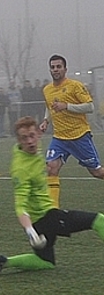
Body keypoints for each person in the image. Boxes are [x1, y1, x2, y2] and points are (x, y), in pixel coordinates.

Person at [0, 116, 104, 274]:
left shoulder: (25, 151)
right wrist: (30, 231)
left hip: (39, 222)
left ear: (39, 134)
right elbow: (20, 205)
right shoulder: (21, 169)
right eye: (24, 138)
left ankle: (4, 262)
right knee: (98, 221)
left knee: (45, 262)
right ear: (18, 140)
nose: (30, 141)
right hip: (46, 217)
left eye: (32, 136)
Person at [40, 54, 104, 208]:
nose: (55, 69)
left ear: (65, 69)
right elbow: (49, 106)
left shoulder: (75, 86)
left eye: (58, 66)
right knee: (51, 168)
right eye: (53, 67)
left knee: (97, 173)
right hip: (59, 139)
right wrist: (45, 120)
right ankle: (52, 210)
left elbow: (90, 107)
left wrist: (67, 106)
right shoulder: (47, 90)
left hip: (79, 136)